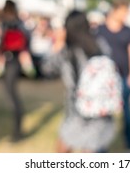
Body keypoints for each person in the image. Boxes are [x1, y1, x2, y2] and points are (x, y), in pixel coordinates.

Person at [41, 10, 116, 153]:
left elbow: (47, 69)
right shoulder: (99, 44)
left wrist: (58, 43)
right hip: (101, 104)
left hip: (77, 107)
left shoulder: (69, 50)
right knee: (92, 147)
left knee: (64, 146)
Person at [96, 0, 130, 151]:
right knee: (103, 114)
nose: (126, 15)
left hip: (123, 77)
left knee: (127, 114)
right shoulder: (99, 30)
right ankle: (101, 146)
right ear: (114, 10)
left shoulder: (128, 32)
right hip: (103, 80)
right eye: (124, 11)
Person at [0, 0, 33, 142]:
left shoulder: (10, 24)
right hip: (12, 61)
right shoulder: (19, 24)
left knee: (12, 95)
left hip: (11, 61)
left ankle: (18, 130)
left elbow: (4, 42)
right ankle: (17, 128)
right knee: (11, 94)